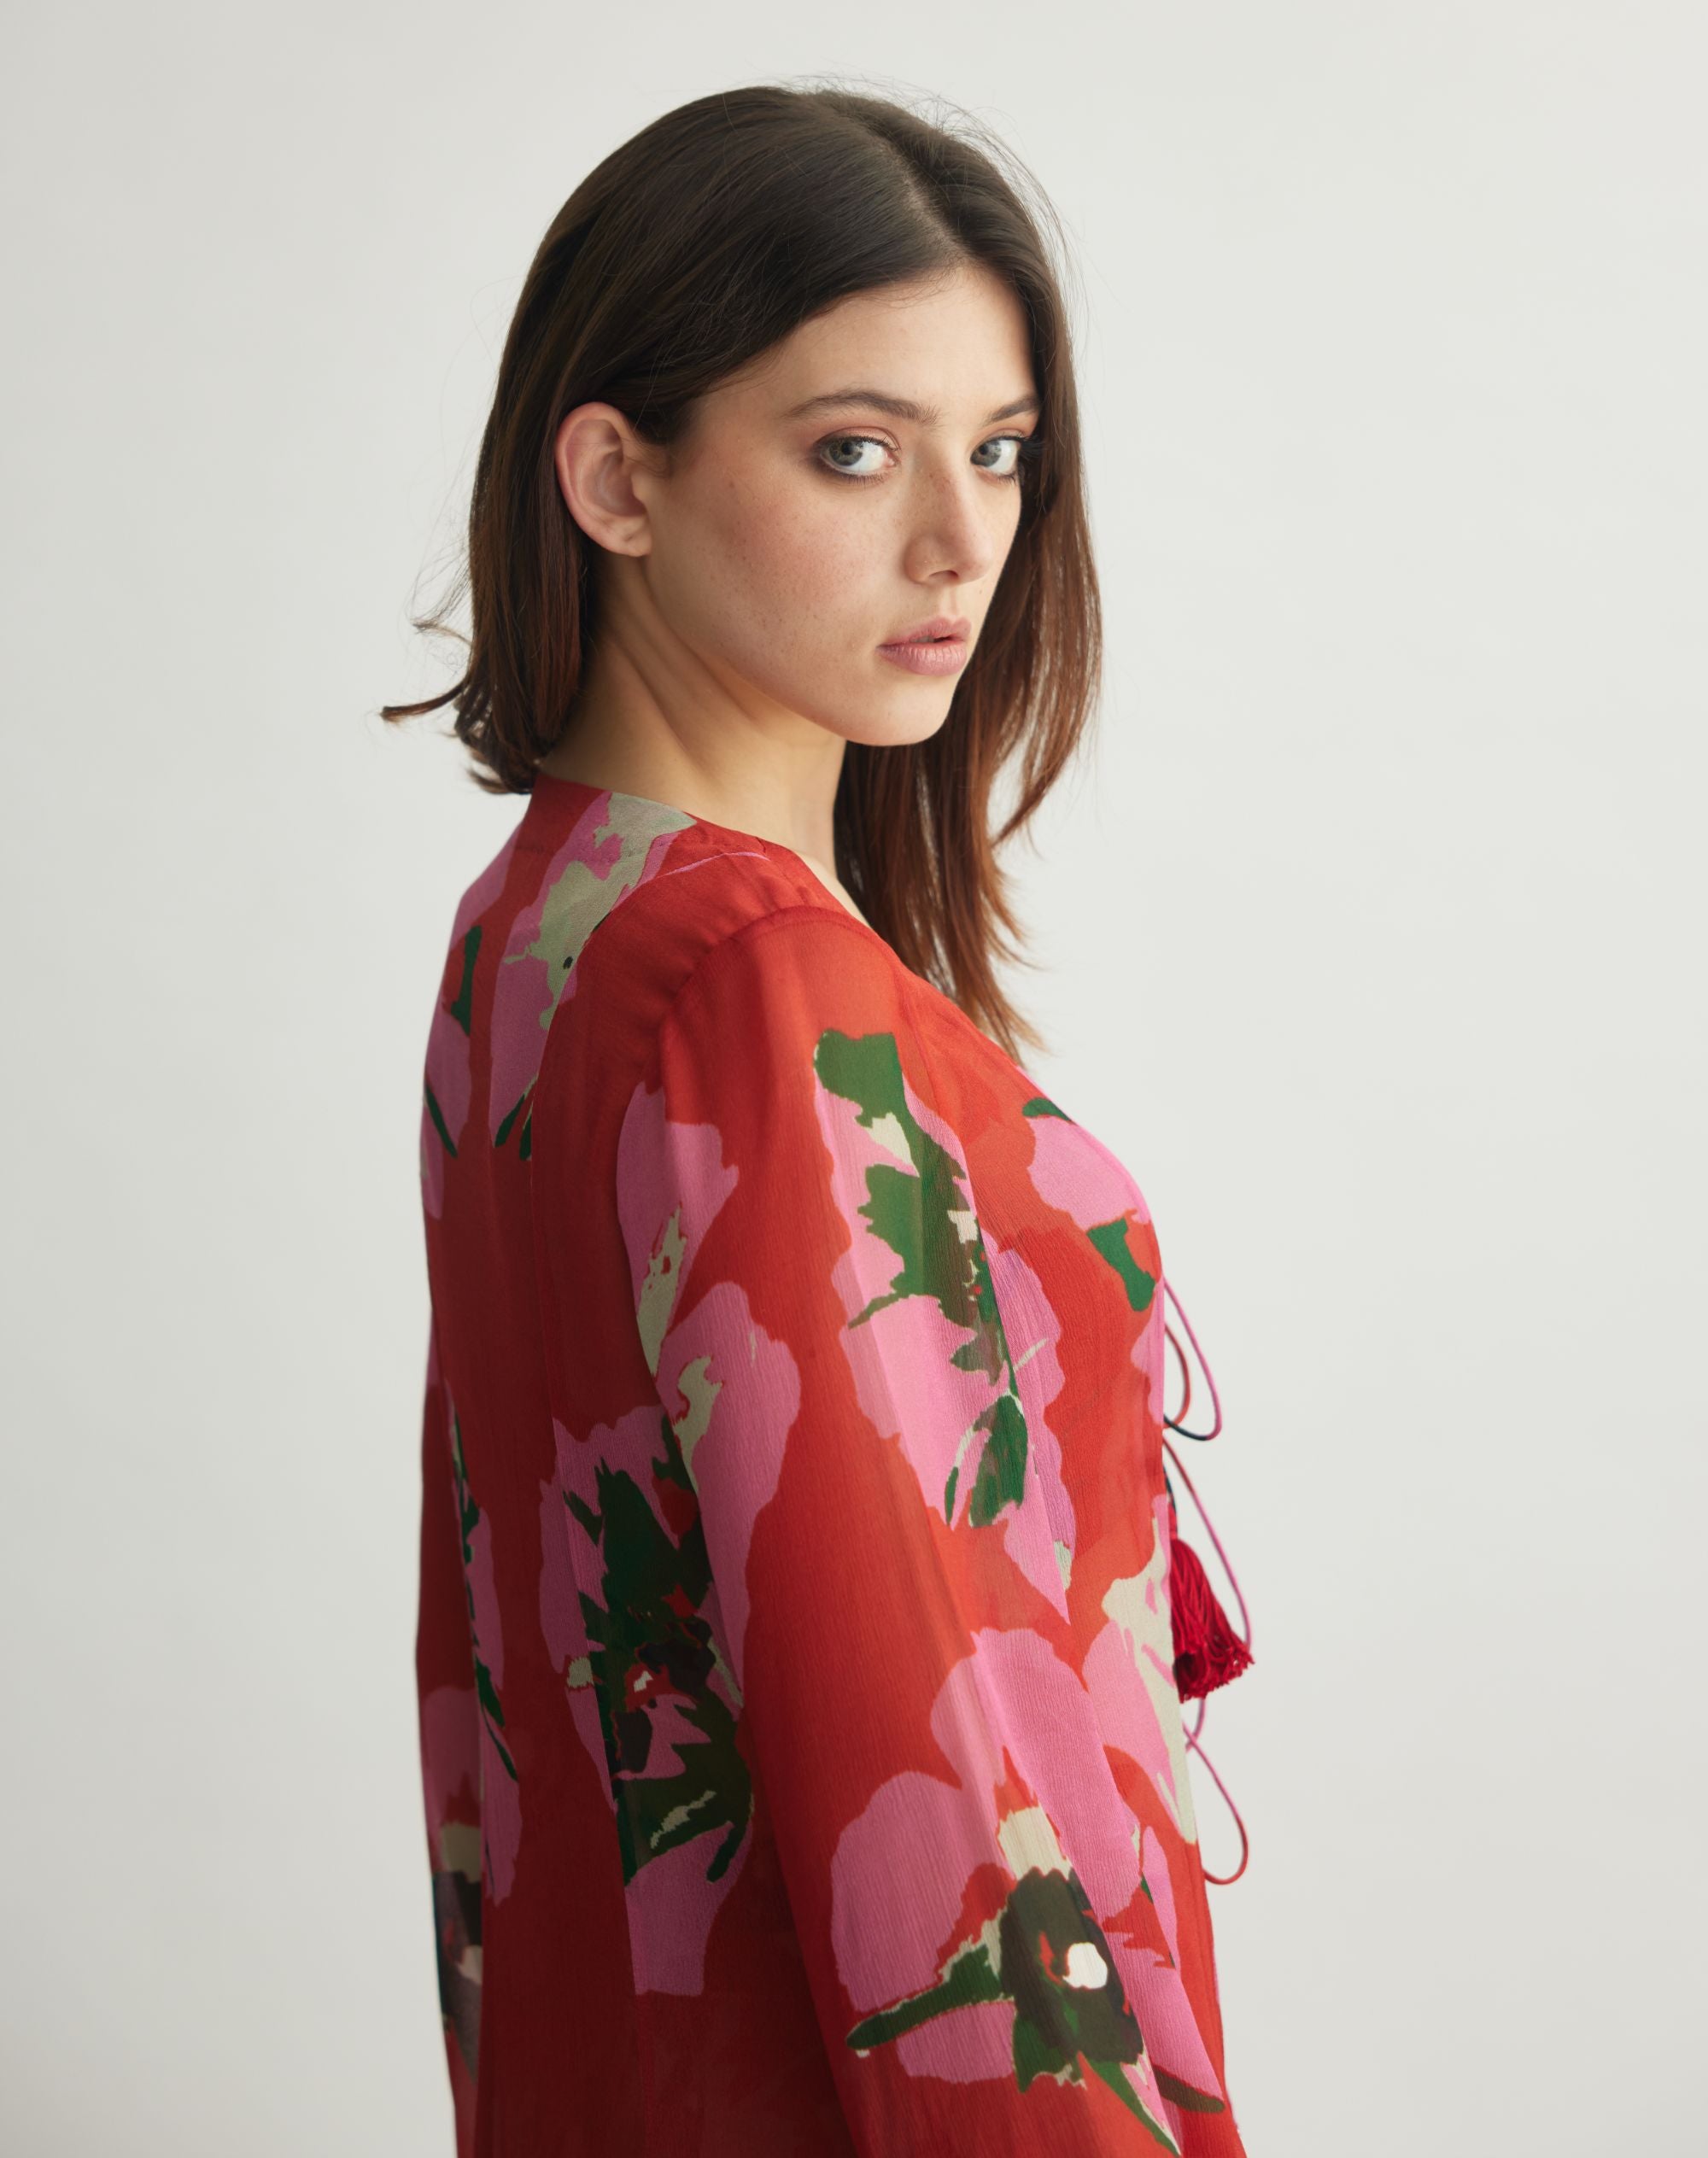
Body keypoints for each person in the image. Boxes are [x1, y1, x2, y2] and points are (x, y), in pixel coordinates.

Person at [383, 80, 1255, 2158]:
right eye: (854, 449)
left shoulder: (541, 929)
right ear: (615, 477)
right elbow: (926, 1766)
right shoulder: (750, 984)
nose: (961, 539)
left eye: (1001, 450)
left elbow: (495, 1705)